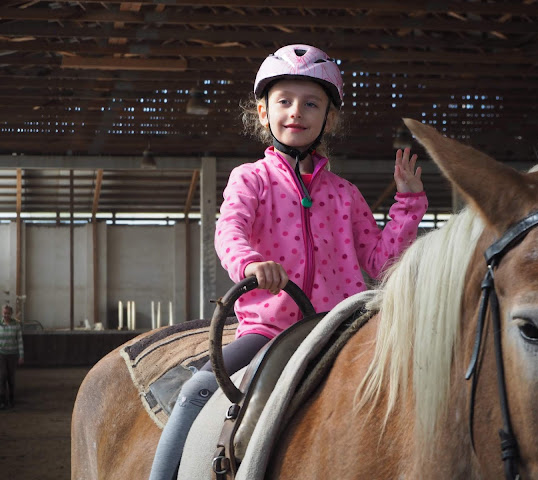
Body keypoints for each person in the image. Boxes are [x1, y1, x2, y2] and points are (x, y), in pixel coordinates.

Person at [148, 44, 428, 479]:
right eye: (284, 101)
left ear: (328, 119)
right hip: (269, 329)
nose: (296, 112)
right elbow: (230, 231)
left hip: (340, 327)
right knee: (196, 390)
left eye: (311, 103)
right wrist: (251, 264)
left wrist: (407, 203)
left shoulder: (346, 194)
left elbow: (379, 262)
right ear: (264, 113)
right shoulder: (250, 179)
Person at [0, 304, 24, 409]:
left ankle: (11, 399)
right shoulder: (0, 324)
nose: (6, 315)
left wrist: (21, 355)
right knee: (2, 376)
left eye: (8, 313)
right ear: (2, 313)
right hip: (1, 354)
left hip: (12, 355)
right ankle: (2, 400)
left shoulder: (16, 325)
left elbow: (19, 341)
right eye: (4, 313)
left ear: (11, 314)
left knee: (11, 377)